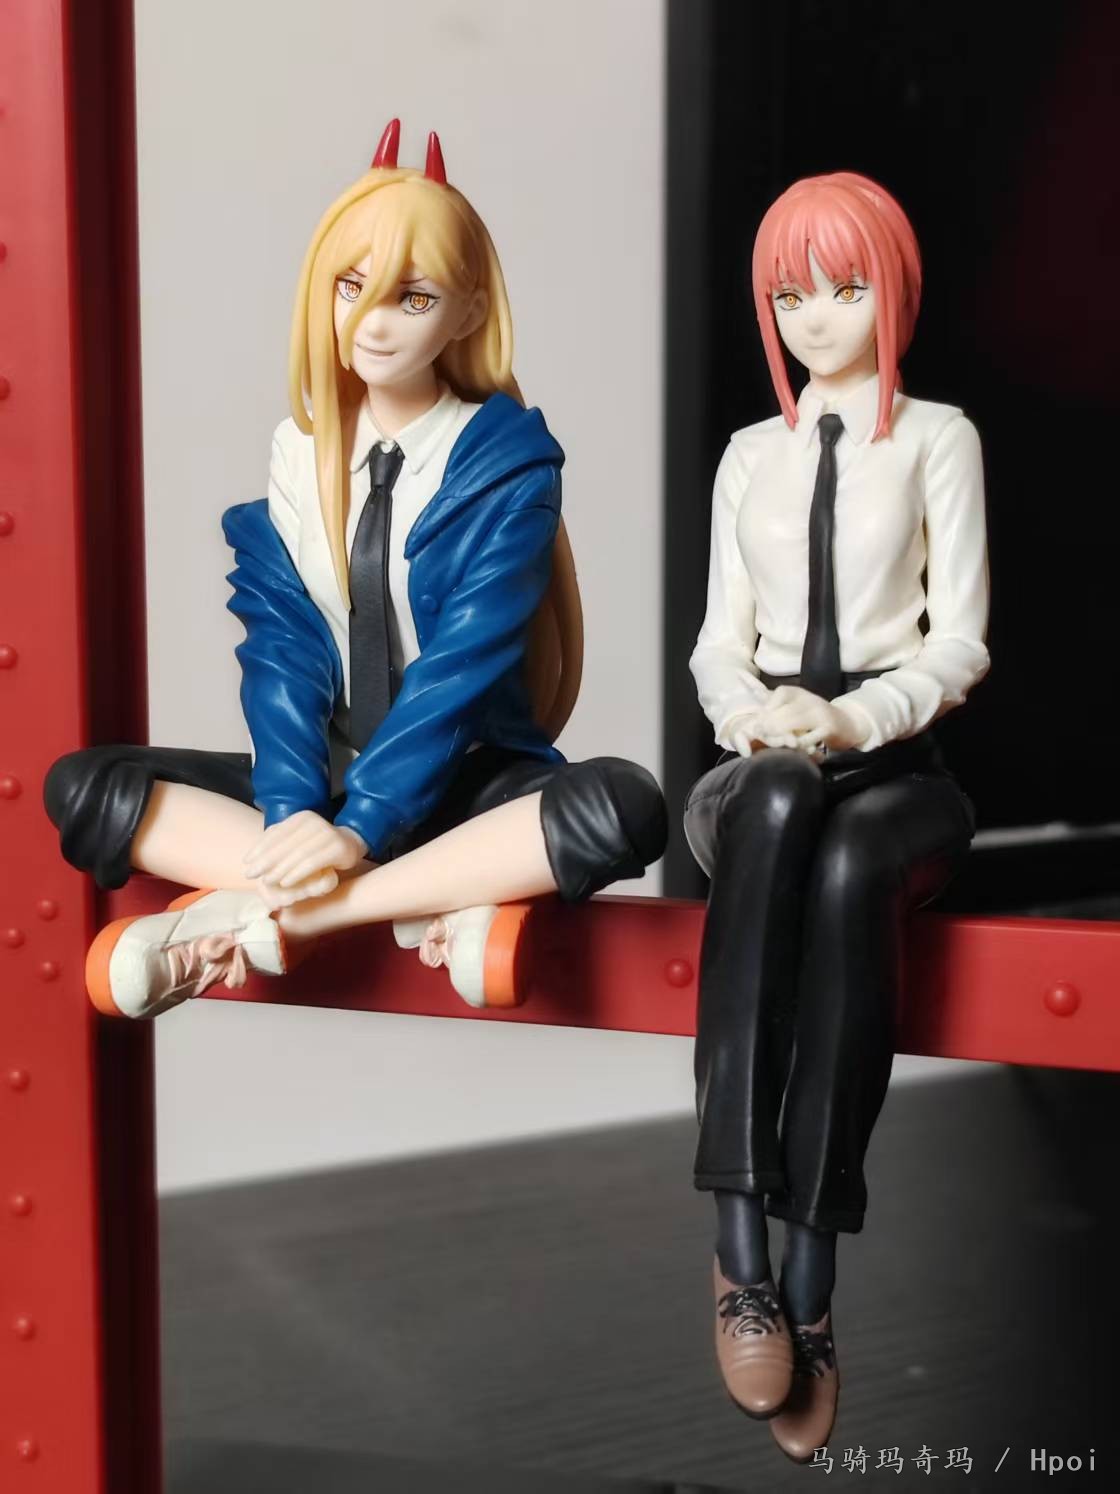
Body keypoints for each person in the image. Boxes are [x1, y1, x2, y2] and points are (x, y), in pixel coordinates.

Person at [45, 120, 666, 1018]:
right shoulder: (300, 458)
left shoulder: (505, 464)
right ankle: (439, 897)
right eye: (351, 287)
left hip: (463, 781)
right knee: (85, 787)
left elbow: (463, 666)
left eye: (412, 297)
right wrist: (297, 812)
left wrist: (361, 829)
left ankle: (286, 914)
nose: (372, 323)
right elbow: (284, 651)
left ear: (468, 312)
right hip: (330, 779)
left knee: (620, 807)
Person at [684, 171, 988, 1460]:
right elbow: (715, 647)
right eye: (789, 295)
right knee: (773, 799)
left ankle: (812, 1267)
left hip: (895, 769)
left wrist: (853, 719)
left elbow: (960, 640)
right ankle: (741, 1255)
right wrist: (760, 721)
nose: (816, 317)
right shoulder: (747, 456)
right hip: (760, 769)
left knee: (854, 860)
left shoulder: (937, 439)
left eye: (846, 288)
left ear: (892, 291)